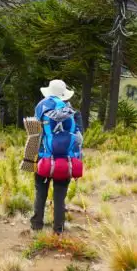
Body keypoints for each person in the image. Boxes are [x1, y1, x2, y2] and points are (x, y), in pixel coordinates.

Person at [30, 79, 83, 234]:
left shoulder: (41, 108)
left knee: (41, 192)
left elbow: (34, 134)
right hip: (65, 161)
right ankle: (58, 229)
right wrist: (77, 158)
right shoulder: (72, 112)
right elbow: (79, 139)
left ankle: (37, 226)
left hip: (44, 158)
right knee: (60, 196)